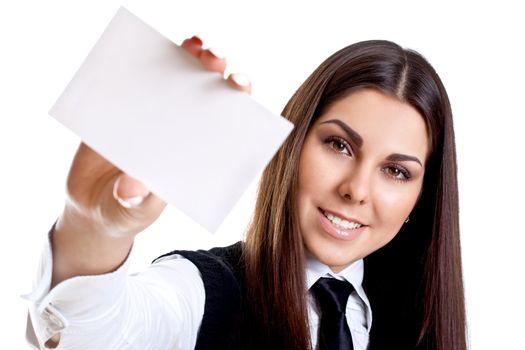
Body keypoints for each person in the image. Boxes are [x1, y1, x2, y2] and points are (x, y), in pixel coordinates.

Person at [25, 35, 467, 349]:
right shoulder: (203, 292)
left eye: (396, 171)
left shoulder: (414, 324)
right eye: (339, 145)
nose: (356, 190)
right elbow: (91, 334)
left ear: (421, 198)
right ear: (291, 146)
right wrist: (92, 229)